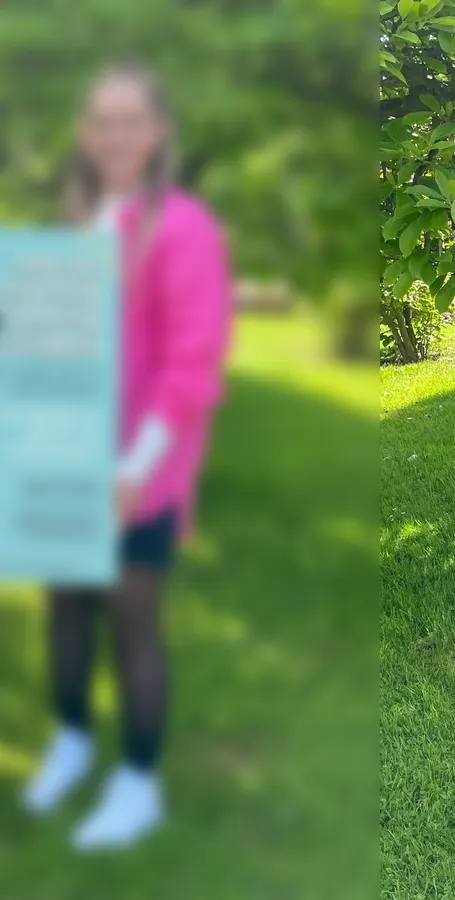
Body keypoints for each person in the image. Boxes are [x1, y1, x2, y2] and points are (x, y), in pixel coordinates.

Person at [18, 61, 234, 851]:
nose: (114, 136)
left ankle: (138, 780)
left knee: (132, 618)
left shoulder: (180, 226)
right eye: (101, 121)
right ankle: (73, 738)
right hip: (65, 456)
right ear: (86, 133)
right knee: (68, 604)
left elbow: (191, 362)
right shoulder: (80, 221)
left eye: (129, 121)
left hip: (140, 469)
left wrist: (135, 467)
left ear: (156, 133)